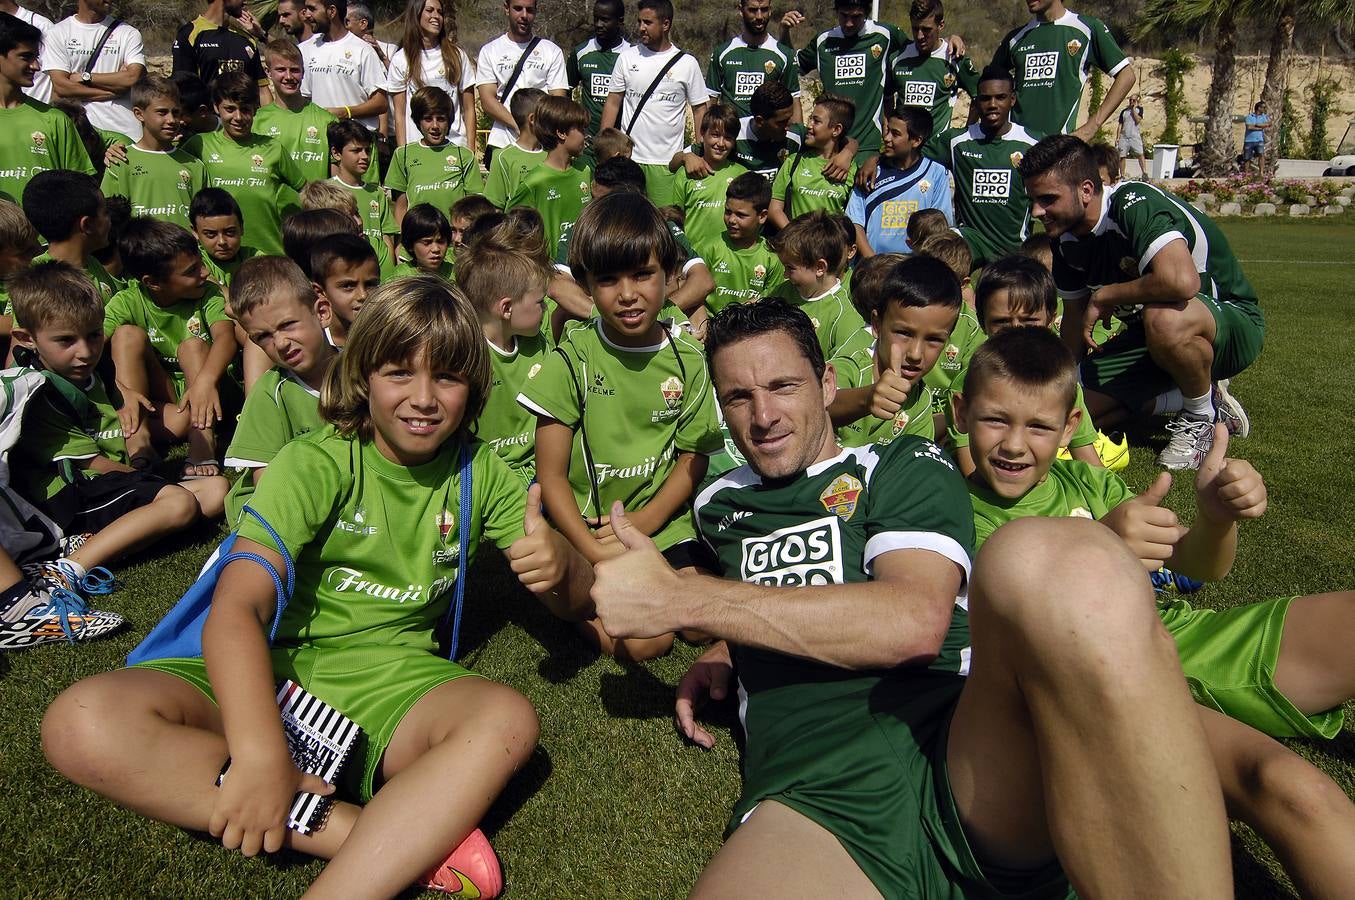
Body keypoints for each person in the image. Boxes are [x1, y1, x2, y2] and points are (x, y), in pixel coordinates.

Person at [587, 295, 1233, 898]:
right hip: (812, 787)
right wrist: (710, 641)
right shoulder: (715, 503)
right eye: (737, 396)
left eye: (782, 386)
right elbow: (656, 612)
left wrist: (690, 604)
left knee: (1041, 551)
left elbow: (913, 622)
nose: (762, 416)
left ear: (827, 385)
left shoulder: (899, 463)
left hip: (957, 751)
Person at [43, 276, 593, 899]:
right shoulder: (316, 461)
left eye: (447, 377)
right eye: (397, 373)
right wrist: (258, 756)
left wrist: (561, 566)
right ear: (363, 377)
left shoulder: (484, 474)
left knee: (505, 719)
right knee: (81, 720)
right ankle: (383, 833)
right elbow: (238, 608)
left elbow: (577, 601)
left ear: (475, 387)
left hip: (390, 681)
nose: (423, 398)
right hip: (274, 670)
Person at [956, 326, 1355, 898]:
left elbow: (1196, 568)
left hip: (1182, 638)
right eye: (997, 420)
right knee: (1291, 787)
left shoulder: (1086, 481)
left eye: (1039, 425)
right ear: (962, 411)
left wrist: (1216, 518)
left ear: (1070, 428)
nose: (1015, 444)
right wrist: (1099, 544)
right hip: (1095, 691)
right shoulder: (945, 506)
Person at [518, 193, 722, 661]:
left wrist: (646, 523)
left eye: (643, 275)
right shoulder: (572, 359)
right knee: (649, 642)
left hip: (658, 521)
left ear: (670, 276)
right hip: (586, 524)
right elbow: (550, 475)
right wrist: (591, 546)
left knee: (697, 622)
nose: (627, 293)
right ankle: (576, 610)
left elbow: (694, 456)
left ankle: (610, 588)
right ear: (587, 285)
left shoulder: (687, 358)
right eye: (607, 279)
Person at [1020, 134, 1261, 469]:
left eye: (1047, 199)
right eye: (1033, 200)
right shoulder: (1065, 239)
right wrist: (1061, 385)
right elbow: (1074, 321)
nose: (1037, 211)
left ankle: (1200, 418)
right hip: (1148, 341)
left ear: (1086, 190)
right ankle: (1194, 398)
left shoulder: (1133, 202)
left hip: (1229, 325)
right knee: (1069, 412)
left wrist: (1106, 295)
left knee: (1165, 318)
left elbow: (1181, 282)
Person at [10, 261, 228, 594]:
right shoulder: (41, 392)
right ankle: (65, 569)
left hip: (107, 486)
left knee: (215, 493)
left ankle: (99, 545)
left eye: (94, 335)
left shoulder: (91, 371)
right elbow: (91, 466)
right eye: (66, 340)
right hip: (72, 500)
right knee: (179, 503)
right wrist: (147, 481)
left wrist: (141, 468)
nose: (86, 352)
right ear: (27, 339)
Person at [940, 253, 1103, 473]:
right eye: (1002, 323)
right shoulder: (969, 384)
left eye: (1029, 321)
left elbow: (1090, 464)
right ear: (981, 322)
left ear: (1050, 318)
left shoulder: (1061, 380)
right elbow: (973, 474)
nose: (1016, 332)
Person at [104, 218, 239, 474]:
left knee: (192, 346)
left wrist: (205, 381)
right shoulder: (127, 301)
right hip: (171, 406)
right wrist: (122, 391)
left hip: (212, 392)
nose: (204, 273)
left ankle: (202, 441)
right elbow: (91, 348)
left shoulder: (208, 294)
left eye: (200, 263)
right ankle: (138, 441)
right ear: (153, 282)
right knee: (126, 335)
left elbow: (225, 338)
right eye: (191, 271)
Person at [222, 255, 335, 523]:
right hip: (276, 505)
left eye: (287, 325)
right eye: (263, 336)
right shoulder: (270, 393)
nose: (281, 342)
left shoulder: (361, 373)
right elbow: (265, 480)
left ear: (321, 312)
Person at [828, 254, 955, 447]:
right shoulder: (848, 370)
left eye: (934, 339)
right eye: (904, 333)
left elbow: (911, 463)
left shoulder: (920, 401)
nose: (915, 354)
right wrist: (867, 398)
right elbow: (814, 410)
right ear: (877, 325)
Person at [182, 71, 306, 255]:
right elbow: (163, 159)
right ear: (216, 108)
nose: (238, 117)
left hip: (269, 255)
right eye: (230, 109)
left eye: (245, 109)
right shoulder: (199, 145)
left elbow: (305, 190)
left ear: (256, 108)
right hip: (219, 258)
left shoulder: (272, 147)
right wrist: (122, 148)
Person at [599, 0, 707, 209]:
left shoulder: (687, 63)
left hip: (668, 164)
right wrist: (605, 146)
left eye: (647, 22)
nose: (641, 28)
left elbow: (700, 109)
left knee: (664, 224)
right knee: (625, 223)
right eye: (639, 21)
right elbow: (613, 102)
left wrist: (696, 150)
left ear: (665, 24)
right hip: (629, 160)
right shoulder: (627, 58)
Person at [462, 232, 552, 480]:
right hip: (486, 478)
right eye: (540, 302)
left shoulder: (538, 343)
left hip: (542, 471)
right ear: (506, 308)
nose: (546, 308)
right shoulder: (465, 357)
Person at [932, 67, 1040, 268]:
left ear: (1013, 99)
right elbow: (911, 154)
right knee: (941, 254)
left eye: (1000, 97)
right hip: (971, 239)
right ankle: (960, 296)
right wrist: (875, 160)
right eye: (985, 98)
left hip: (1014, 246)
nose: (992, 105)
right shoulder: (957, 141)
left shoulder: (1032, 143)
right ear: (977, 102)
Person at [781, 0, 907, 164]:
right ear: (836, 11)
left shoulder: (885, 35)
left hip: (867, 148)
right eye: (844, 16)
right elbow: (790, 66)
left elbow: (921, 51)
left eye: (856, 17)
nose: (849, 23)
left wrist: (950, 41)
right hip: (829, 146)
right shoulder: (823, 42)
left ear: (866, 14)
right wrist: (784, 31)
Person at [989, 0, 1134, 139]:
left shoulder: (1086, 29)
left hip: (1059, 148)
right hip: (1017, 147)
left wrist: (1090, 128)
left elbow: (1126, 76)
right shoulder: (1015, 38)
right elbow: (986, 85)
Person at [0, 14, 95, 205]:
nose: (35, 66)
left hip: (46, 235)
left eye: (36, 57)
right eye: (26, 57)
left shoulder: (55, 120)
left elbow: (80, 188)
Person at [101, 76, 206, 231]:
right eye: (162, 112)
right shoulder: (120, 161)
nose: (171, 120)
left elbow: (205, 219)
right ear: (139, 114)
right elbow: (109, 217)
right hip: (138, 252)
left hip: (184, 252)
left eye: (176, 112)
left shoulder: (195, 165)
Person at [847, 103, 951, 258]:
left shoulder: (936, 174)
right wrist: (873, 262)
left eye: (895, 134)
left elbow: (940, 226)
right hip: (872, 268)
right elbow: (855, 222)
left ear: (916, 140)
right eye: (887, 130)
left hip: (915, 269)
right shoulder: (870, 172)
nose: (886, 138)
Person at [476, 0, 567, 168]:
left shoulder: (552, 51)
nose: (524, 15)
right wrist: (518, 126)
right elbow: (487, 100)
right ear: (506, 9)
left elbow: (558, 99)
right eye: (518, 9)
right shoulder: (490, 51)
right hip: (502, 142)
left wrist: (537, 129)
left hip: (542, 145)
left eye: (529, 10)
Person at [43, 0, 146, 141]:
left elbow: (132, 78)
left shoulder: (128, 33)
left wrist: (85, 77)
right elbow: (62, 86)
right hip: (80, 132)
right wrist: (113, 92)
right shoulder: (57, 33)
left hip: (125, 131)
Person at [768, 210, 865, 358]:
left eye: (790, 268)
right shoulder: (782, 292)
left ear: (820, 267)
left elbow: (844, 369)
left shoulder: (843, 316)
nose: (785, 275)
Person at [506, 95, 590, 258]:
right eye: (580, 129)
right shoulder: (535, 182)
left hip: (583, 268)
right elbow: (511, 230)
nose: (585, 135)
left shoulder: (585, 171)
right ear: (561, 133)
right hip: (551, 275)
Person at [386, 85, 484, 224]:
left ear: (449, 121)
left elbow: (473, 207)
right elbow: (401, 206)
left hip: (453, 240)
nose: (435, 126)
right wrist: (402, 241)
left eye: (441, 119)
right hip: (417, 238)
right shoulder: (403, 154)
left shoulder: (464, 156)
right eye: (428, 119)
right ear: (418, 121)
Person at [387, 0, 475, 151]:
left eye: (439, 12)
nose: (436, 16)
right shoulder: (401, 59)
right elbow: (399, 114)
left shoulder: (457, 55)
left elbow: (469, 108)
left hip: (454, 147)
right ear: (417, 14)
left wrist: (471, 149)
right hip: (417, 150)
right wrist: (402, 153)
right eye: (430, 10)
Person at [20, 171, 119, 303]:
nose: (109, 219)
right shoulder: (36, 280)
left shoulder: (92, 264)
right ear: (87, 224)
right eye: (105, 212)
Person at [888, 0, 978, 146]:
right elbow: (886, 97)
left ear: (941, 25)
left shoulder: (954, 58)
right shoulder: (898, 58)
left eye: (926, 29)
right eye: (915, 28)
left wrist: (967, 134)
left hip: (936, 151)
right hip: (902, 151)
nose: (919, 36)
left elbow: (979, 95)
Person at [253, 39, 338, 185]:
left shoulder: (327, 120)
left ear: (303, 72)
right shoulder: (257, 121)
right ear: (268, 72)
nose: (288, 77)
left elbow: (337, 180)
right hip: (275, 207)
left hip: (316, 206)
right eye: (281, 70)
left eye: (294, 70)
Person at [699, 171, 784, 314]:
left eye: (741, 215)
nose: (732, 220)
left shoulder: (772, 258)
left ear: (762, 216)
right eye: (728, 212)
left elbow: (774, 305)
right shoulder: (708, 248)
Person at [768, 94, 856, 229]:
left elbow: (853, 218)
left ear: (836, 130)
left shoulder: (851, 169)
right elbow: (774, 209)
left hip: (832, 248)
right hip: (795, 246)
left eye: (816, 121)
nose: (809, 125)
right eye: (810, 119)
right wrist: (795, 236)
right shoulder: (793, 162)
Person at [707, 0, 800, 124]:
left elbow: (794, 100)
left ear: (770, 10)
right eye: (753, 10)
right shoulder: (722, 53)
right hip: (732, 138)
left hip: (768, 138)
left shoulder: (784, 55)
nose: (759, 16)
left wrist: (797, 138)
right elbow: (710, 100)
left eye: (764, 9)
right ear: (741, 10)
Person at [299, 0, 387, 132]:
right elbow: (303, 97)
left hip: (356, 140)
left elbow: (380, 103)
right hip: (318, 139)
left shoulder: (362, 49)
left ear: (332, 11)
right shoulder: (305, 49)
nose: (306, 15)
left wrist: (345, 112)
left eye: (312, 9)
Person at [674, 103, 749, 251]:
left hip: (729, 259)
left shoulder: (742, 174)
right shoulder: (685, 174)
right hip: (693, 258)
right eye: (715, 135)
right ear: (702, 133)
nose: (721, 143)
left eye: (728, 138)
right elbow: (675, 221)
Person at [172, 0, 272, 106]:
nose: (246, 2)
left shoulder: (247, 39)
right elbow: (182, 88)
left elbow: (263, 92)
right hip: (208, 120)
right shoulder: (189, 34)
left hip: (244, 120)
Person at [328, 118, 395, 260]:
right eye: (356, 150)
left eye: (367, 150)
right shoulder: (327, 191)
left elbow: (387, 238)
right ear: (336, 153)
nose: (364, 156)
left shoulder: (377, 192)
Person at [567, 0, 629, 139]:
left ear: (620, 21)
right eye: (596, 19)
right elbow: (566, 91)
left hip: (621, 143)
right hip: (586, 144)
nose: (599, 25)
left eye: (605, 20)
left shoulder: (631, 56)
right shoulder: (580, 52)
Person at [308, 231, 379, 346]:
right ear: (320, 292)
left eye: (370, 284)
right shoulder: (315, 348)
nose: (363, 295)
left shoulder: (387, 338)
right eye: (348, 286)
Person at [482, 86, 545, 208]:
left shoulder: (551, 153)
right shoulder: (503, 157)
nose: (552, 118)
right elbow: (495, 206)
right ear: (532, 119)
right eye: (547, 114)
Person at [191, 187, 258, 288]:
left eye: (230, 232)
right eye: (211, 234)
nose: (222, 242)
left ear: (241, 227)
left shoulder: (254, 258)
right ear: (195, 232)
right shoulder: (193, 263)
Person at [0, 0, 51, 103]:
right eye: (26, 57)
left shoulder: (42, 26)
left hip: (38, 111)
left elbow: (59, 79)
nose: (36, 66)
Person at [391, 203, 453, 280]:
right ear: (410, 245)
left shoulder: (456, 274)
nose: (435, 249)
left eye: (440, 241)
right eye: (427, 242)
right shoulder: (401, 277)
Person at [1114, 94, 1145, 179]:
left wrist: (1134, 109)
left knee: (1140, 154)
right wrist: (1118, 137)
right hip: (1124, 136)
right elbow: (1120, 124)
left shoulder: (1139, 110)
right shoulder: (1124, 111)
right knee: (1122, 156)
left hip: (1134, 136)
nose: (1131, 102)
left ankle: (1144, 173)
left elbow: (1138, 120)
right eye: (1130, 100)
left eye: (1133, 100)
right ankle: (1122, 175)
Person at [1242, 100, 1270, 177]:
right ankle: (1246, 174)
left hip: (1259, 140)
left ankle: (1261, 173)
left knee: (1261, 155)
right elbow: (1249, 127)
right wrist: (1260, 127)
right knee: (1247, 158)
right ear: (1258, 108)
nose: (1264, 109)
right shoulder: (1249, 117)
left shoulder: (1264, 116)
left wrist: (1257, 124)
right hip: (1249, 140)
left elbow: (1268, 124)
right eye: (1263, 107)